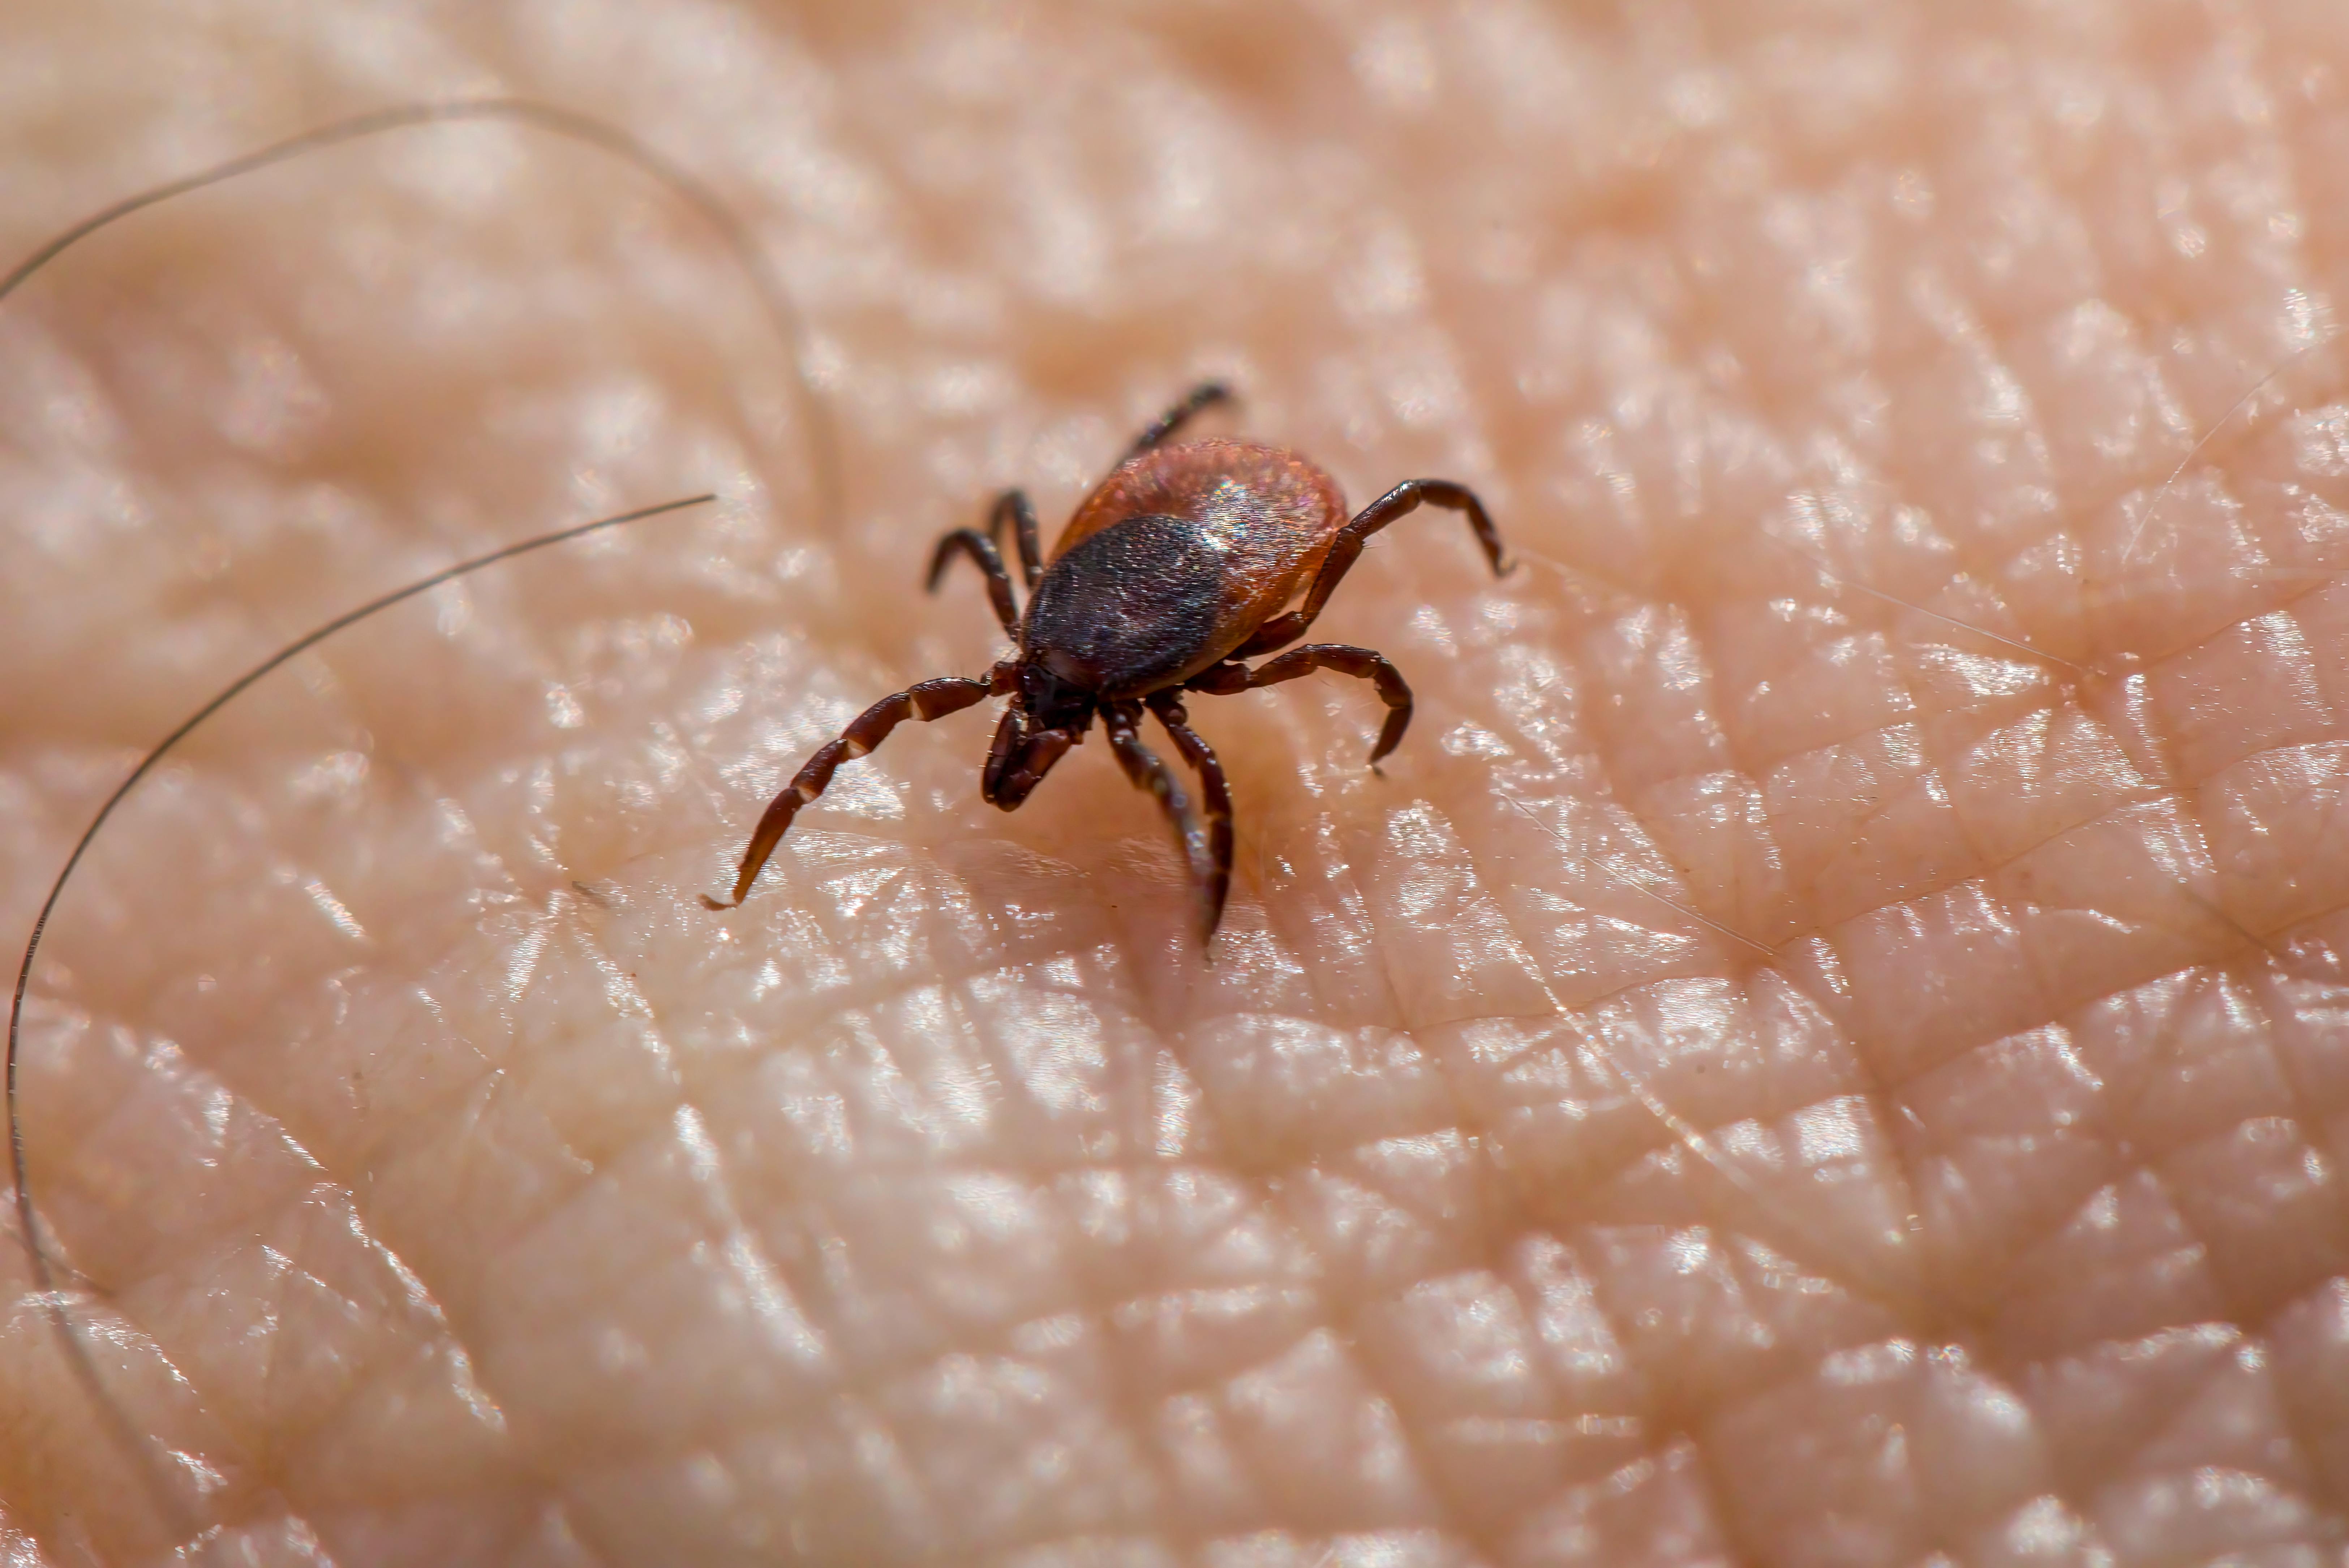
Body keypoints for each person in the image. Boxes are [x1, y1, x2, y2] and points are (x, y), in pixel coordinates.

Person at [5, 3, 2346, 1561]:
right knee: (1246, 571)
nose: (1013, 731)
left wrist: (1261, 660)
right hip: (1218, 523)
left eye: (1024, 712)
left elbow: (1304, 624)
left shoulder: (1146, 661)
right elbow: (1222, 608)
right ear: (1032, 645)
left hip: (1232, 526)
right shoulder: (1066, 657)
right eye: (1019, 690)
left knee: (1312, 592)